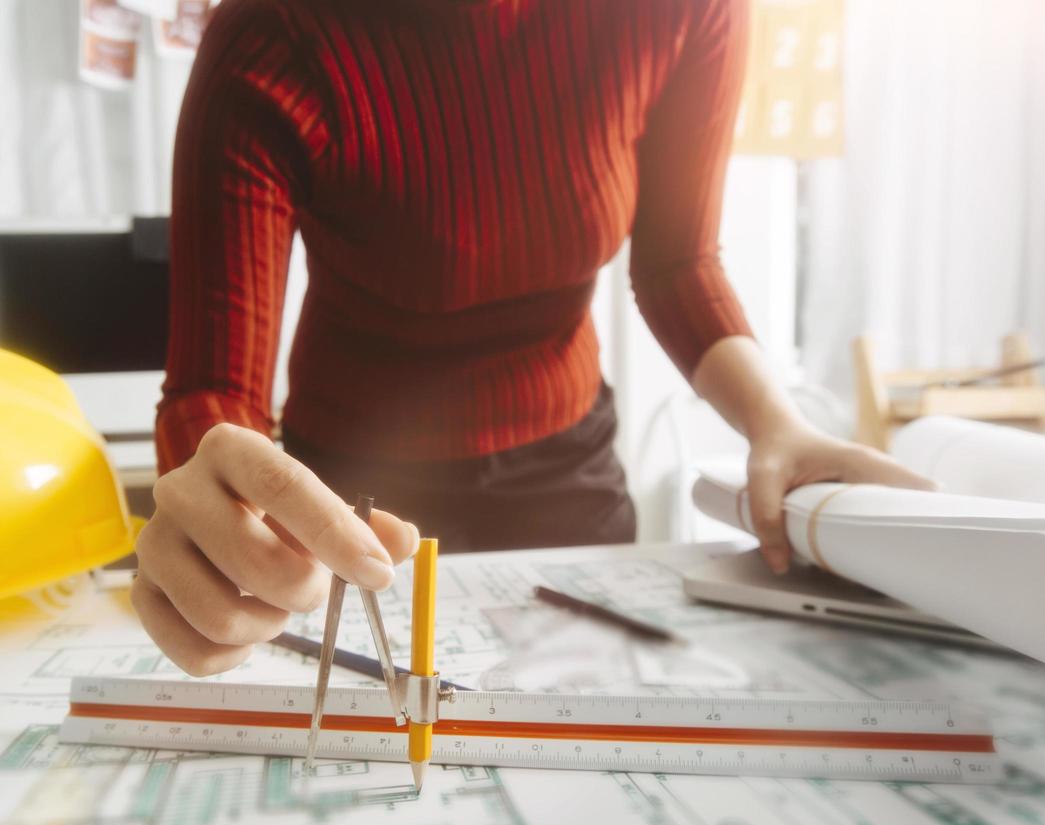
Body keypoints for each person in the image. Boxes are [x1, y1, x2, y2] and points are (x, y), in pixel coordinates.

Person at [134, 0, 932, 676]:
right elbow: (214, 389)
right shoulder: (271, 32)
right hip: (345, 499)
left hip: (568, 480)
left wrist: (777, 424)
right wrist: (214, 509)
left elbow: (679, 264)